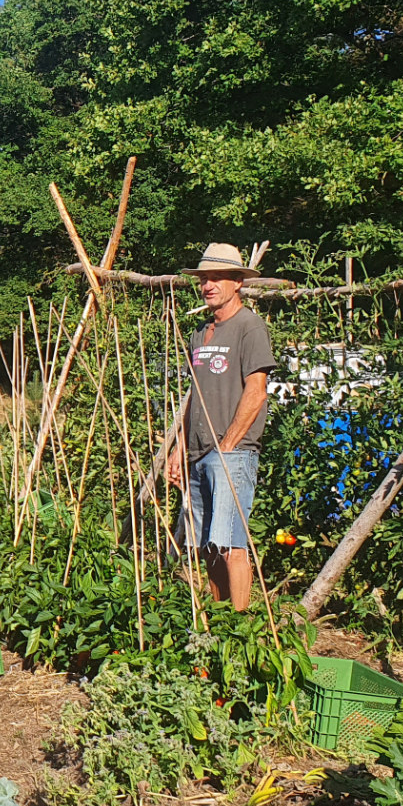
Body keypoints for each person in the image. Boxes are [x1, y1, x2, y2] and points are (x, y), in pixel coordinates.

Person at [164, 243, 276, 612]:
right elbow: (194, 395)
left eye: (216, 277)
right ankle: (217, 617)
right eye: (203, 278)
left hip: (232, 451)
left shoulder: (249, 327)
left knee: (231, 544)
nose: (208, 285)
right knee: (207, 545)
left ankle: (240, 627)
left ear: (237, 282)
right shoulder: (201, 333)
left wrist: (227, 444)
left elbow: (256, 393)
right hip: (197, 451)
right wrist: (181, 446)